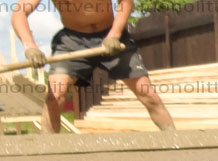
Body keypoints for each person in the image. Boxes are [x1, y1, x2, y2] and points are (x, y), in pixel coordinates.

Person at [11, 0, 175, 133]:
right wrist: (30, 46)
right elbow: (19, 14)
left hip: (112, 36)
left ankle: (174, 140)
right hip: (71, 41)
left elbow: (125, 2)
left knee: (147, 94)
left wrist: (115, 34)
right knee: (55, 95)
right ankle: (46, 151)